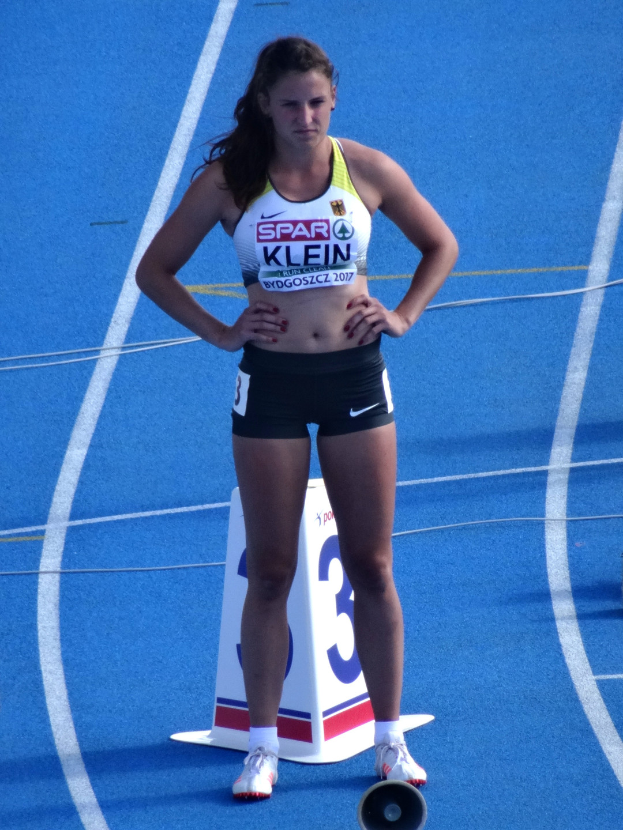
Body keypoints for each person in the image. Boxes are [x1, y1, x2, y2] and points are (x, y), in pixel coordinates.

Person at [136, 35, 458, 800]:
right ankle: (261, 745)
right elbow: (153, 269)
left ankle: (386, 740)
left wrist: (404, 314)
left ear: (333, 100)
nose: (305, 117)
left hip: (354, 380)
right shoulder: (229, 182)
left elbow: (439, 244)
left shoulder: (367, 170)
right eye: (290, 104)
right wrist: (220, 331)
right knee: (272, 570)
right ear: (262, 106)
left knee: (372, 566)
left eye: (316, 102)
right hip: (271, 385)